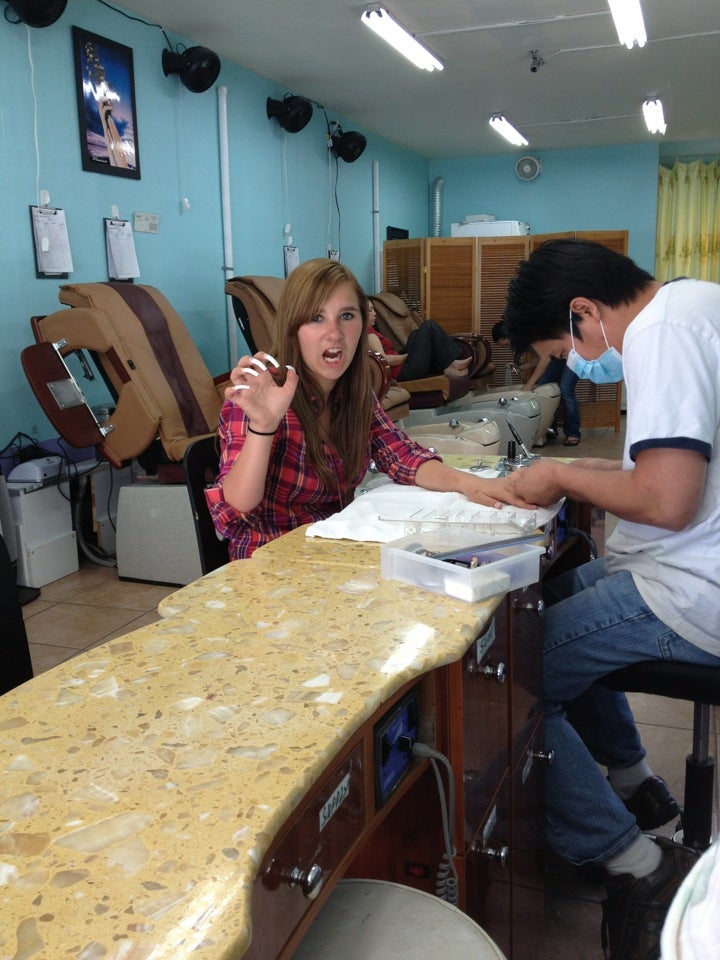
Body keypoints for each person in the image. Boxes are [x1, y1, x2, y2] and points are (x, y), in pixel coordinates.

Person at [502, 238, 720, 959]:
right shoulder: (693, 305)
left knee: (508, 680)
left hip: (695, 591)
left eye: (562, 351)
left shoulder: (663, 333)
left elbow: (666, 499)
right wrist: (573, 467)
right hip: (686, 566)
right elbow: (657, 466)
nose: (574, 366)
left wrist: (560, 477)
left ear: (583, 311)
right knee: (562, 591)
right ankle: (635, 784)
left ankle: (638, 867)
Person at [206, 258, 531, 559]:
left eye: (347, 316)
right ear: (293, 327)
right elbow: (237, 506)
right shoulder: (260, 394)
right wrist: (263, 426)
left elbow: (402, 456)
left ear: (364, 325)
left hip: (333, 547)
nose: (334, 333)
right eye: (316, 318)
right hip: (270, 559)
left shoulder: (355, 393)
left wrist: (471, 484)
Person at [492, 319, 581, 446]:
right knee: (543, 386)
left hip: (575, 350)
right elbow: (540, 356)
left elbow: (545, 359)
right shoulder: (525, 338)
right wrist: (523, 366)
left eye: (505, 344)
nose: (507, 347)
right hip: (558, 353)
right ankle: (549, 428)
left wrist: (529, 385)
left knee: (566, 389)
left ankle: (573, 433)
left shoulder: (530, 334)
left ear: (507, 336)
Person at [367, 300, 472, 381]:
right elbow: (383, 360)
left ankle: (449, 363)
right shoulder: (370, 336)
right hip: (404, 373)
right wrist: (409, 356)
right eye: (370, 310)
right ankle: (450, 364)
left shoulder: (371, 331)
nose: (375, 313)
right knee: (429, 326)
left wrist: (412, 354)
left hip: (401, 367)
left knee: (415, 334)